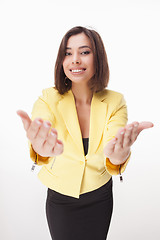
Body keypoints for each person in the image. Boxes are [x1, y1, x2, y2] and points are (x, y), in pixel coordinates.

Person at [17, 26, 154, 240]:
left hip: (99, 196)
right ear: (61, 61)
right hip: (61, 198)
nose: (75, 60)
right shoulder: (48, 98)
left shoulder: (115, 101)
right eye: (68, 53)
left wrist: (118, 155)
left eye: (84, 52)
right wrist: (40, 147)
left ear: (97, 57)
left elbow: (114, 143)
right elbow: (41, 123)